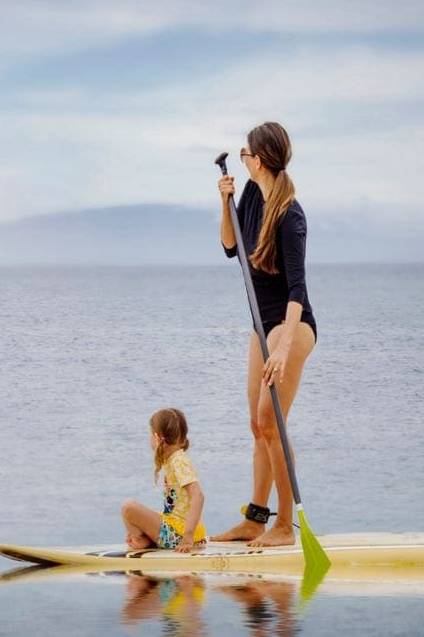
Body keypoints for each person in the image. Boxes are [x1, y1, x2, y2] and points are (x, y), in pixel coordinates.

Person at [212, 121, 317, 548]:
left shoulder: (291, 215)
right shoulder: (252, 195)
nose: (242, 159)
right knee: (258, 425)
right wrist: (225, 203)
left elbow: (298, 290)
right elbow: (230, 247)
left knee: (271, 421)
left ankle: (285, 527)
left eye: (244, 154)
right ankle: (256, 519)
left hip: (292, 326)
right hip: (261, 325)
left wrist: (284, 346)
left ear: (258, 160)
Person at [121, 408, 207, 552]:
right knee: (147, 513)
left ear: (156, 437)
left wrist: (188, 536)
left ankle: (140, 538)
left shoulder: (179, 461)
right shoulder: (174, 459)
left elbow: (198, 496)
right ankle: (145, 539)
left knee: (128, 507)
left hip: (178, 535)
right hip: (176, 528)